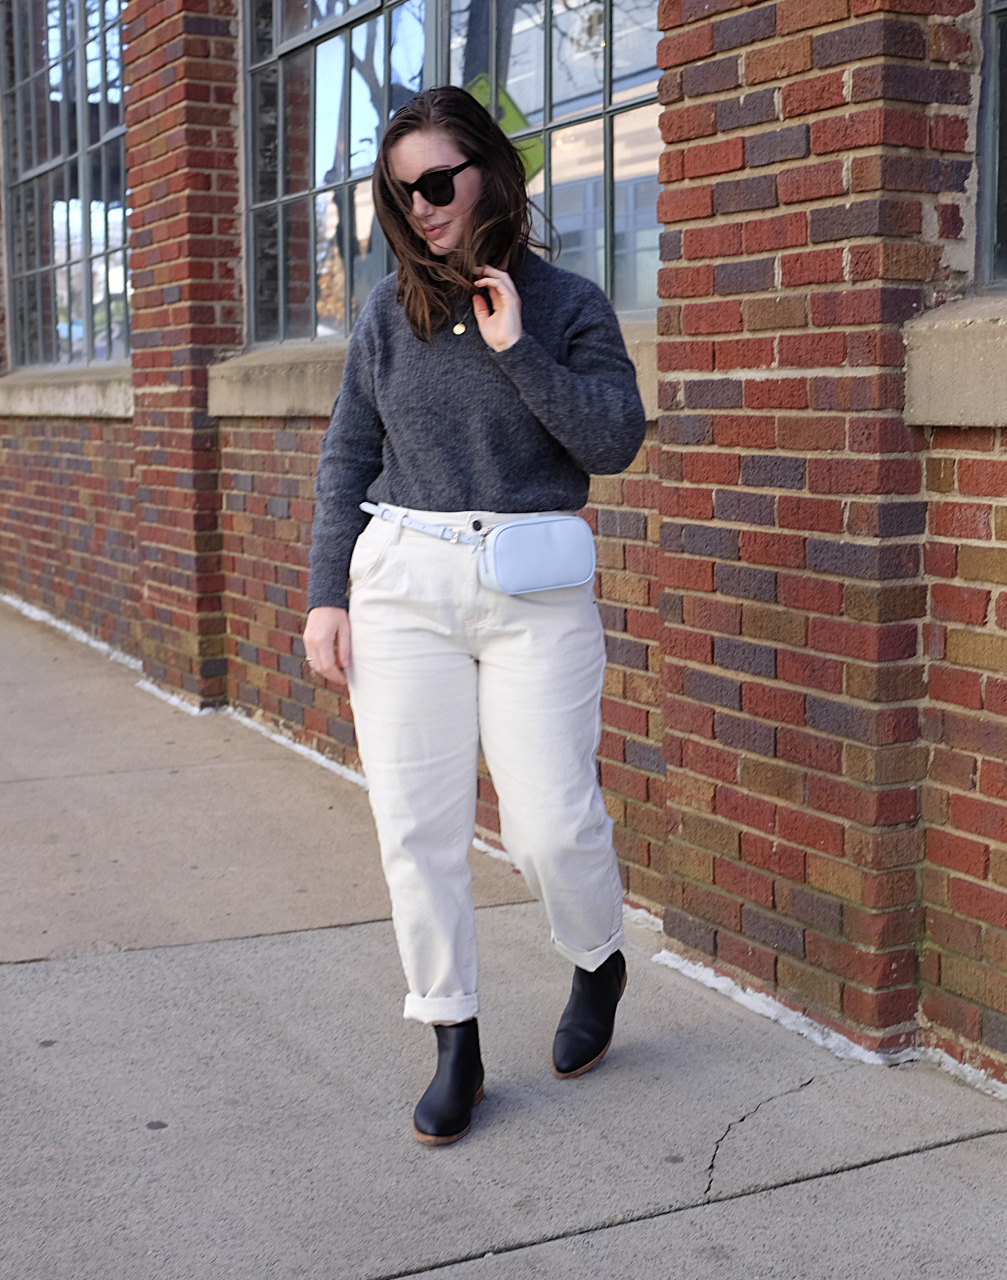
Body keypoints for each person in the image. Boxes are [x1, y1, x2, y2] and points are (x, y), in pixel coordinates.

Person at [301, 86, 647, 1146]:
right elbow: (347, 458)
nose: (422, 207)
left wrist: (515, 347)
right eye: (401, 193)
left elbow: (614, 440)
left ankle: (597, 954)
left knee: (549, 823)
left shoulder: (572, 302)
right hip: (403, 583)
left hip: (532, 593)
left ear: (492, 172)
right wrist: (324, 592)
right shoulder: (383, 315)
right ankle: (453, 1036)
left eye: (438, 182)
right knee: (417, 832)